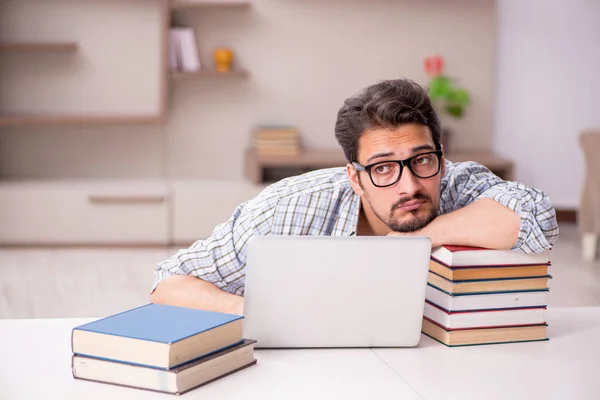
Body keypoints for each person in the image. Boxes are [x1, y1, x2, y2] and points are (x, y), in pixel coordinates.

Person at [150, 79, 559, 315]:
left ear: (440, 156)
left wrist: (421, 236)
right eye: (382, 168)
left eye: (421, 160)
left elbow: (537, 218)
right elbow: (168, 284)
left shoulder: (454, 184)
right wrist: (255, 314)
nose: (410, 186)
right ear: (355, 177)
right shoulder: (287, 207)